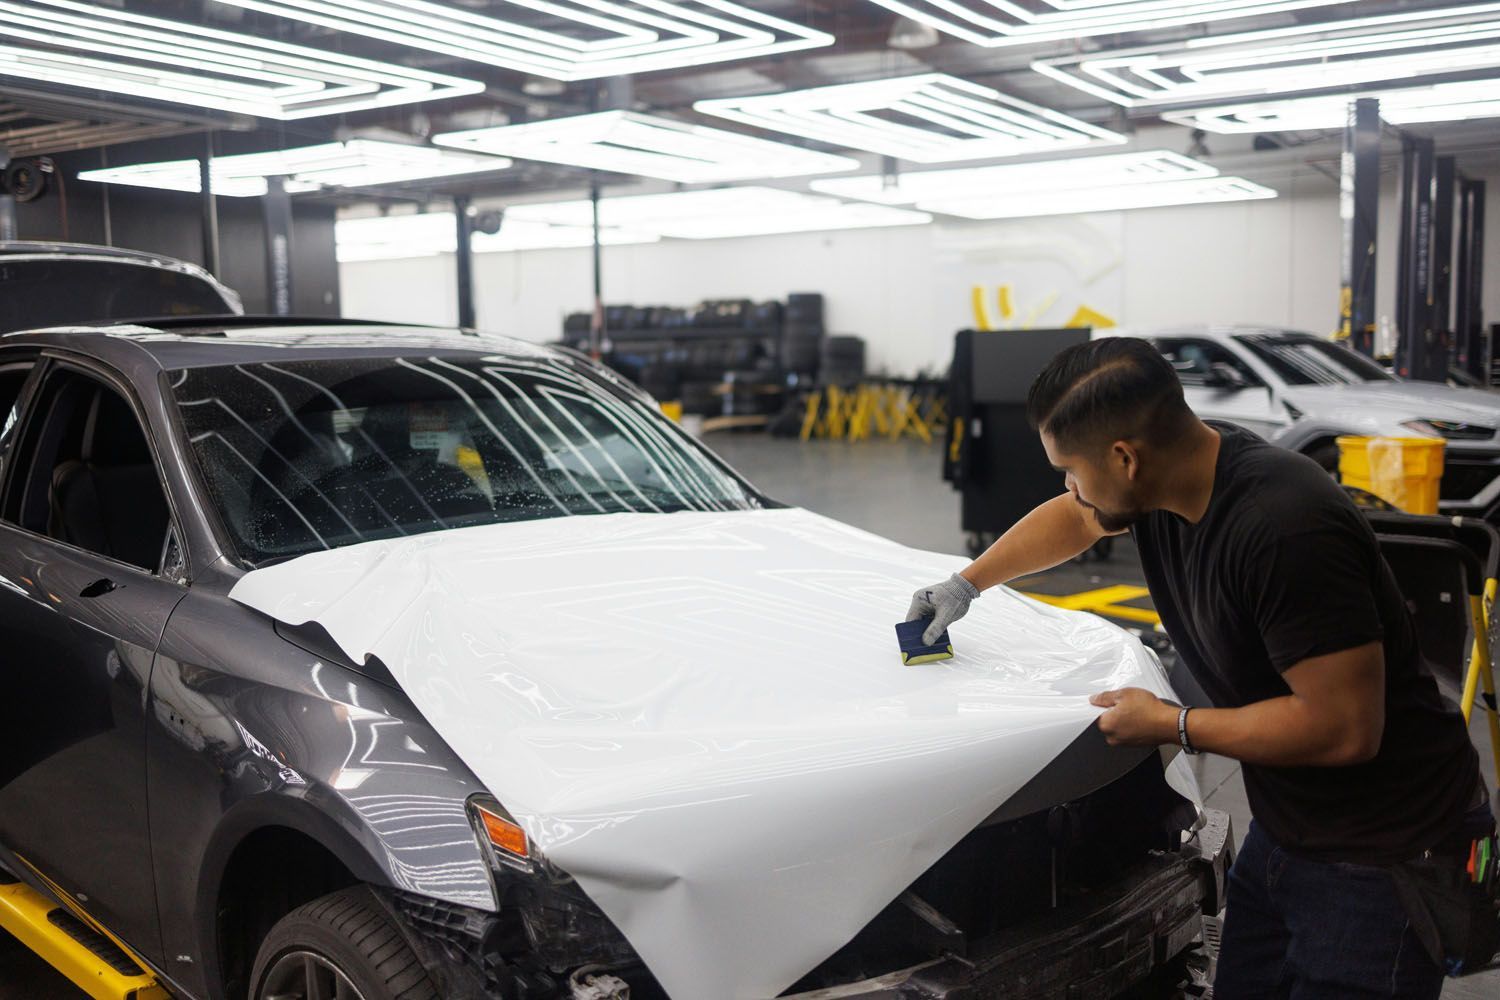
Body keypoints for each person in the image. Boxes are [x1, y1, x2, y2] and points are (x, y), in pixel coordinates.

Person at [907, 336, 1489, 998]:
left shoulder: (1283, 530)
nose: (1067, 487)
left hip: (1382, 852)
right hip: (1290, 826)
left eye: (1071, 469)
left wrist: (1173, 722)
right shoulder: (1174, 474)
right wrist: (969, 584)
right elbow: (1077, 517)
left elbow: (1344, 729)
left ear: (1126, 458)